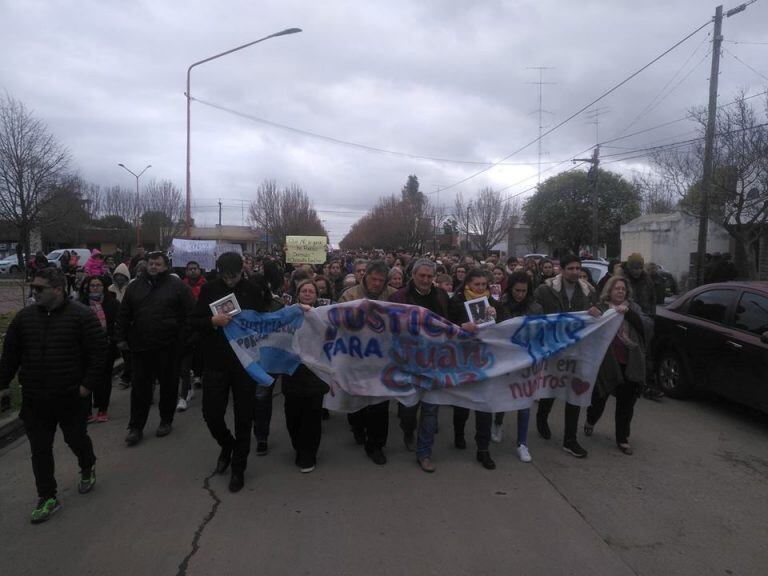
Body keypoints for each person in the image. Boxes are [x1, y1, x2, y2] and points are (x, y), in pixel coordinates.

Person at [0, 268, 106, 524]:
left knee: (75, 438)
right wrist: (3, 384)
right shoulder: (24, 318)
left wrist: (87, 386)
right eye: (33, 288)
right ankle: (47, 496)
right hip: (36, 397)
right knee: (40, 449)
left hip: (71, 395)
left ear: (57, 289)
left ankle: (87, 465)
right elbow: (10, 355)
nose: (34, 293)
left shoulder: (81, 316)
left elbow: (100, 354)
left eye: (39, 289)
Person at [190, 252, 274, 492]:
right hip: (216, 362)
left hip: (245, 364)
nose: (230, 281)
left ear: (242, 271)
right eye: (226, 276)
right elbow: (193, 321)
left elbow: (264, 323)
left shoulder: (252, 289)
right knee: (211, 413)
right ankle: (227, 445)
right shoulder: (208, 290)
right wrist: (211, 322)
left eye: (234, 276)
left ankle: (239, 467)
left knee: (244, 417)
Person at [116, 251, 194, 446]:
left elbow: (190, 315)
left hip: (169, 346)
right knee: (140, 388)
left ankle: (166, 420)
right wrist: (121, 337)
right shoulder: (134, 287)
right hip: (141, 346)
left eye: (158, 264)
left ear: (165, 266)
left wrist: (183, 339)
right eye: (151, 263)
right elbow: (124, 314)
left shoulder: (177, 287)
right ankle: (135, 427)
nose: (153, 267)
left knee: (168, 385)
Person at [534, 254, 601, 458]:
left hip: (578, 351)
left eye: (577, 268)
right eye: (570, 268)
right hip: (553, 349)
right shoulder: (546, 290)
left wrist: (599, 310)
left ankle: (570, 439)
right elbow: (535, 314)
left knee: (575, 391)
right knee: (552, 385)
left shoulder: (589, 291)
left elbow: (601, 309)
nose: (574, 272)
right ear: (561, 269)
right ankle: (542, 417)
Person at [389, 259, 451, 473]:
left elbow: (449, 324)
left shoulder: (441, 297)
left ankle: (424, 453)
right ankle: (408, 430)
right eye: (422, 276)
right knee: (408, 408)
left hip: (434, 362)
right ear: (413, 275)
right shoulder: (398, 298)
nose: (426, 280)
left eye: (429, 276)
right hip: (407, 362)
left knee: (431, 409)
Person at [339, 260, 396, 465]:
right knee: (357, 399)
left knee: (380, 404)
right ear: (366, 277)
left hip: (382, 360)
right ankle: (357, 427)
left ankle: (377, 445)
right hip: (356, 357)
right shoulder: (350, 295)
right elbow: (339, 323)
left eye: (381, 281)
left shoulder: (392, 295)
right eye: (374, 279)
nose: (377, 284)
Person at [585, 276, 650, 455]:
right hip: (606, 364)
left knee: (626, 404)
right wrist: (594, 313)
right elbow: (589, 326)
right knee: (599, 400)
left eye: (623, 289)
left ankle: (622, 438)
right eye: (617, 289)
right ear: (610, 291)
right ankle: (590, 421)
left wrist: (628, 313)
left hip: (629, 364)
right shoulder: (603, 307)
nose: (620, 291)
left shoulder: (633, 308)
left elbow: (647, 325)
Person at [448, 267, 504, 470]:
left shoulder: (494, 302)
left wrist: (496, 315)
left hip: (486, 360)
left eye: (484, 285)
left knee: (485, 404)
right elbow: (446, 324)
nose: (481, 288)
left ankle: (483, 449)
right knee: (463, 401)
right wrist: (461, 326)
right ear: (468, 284)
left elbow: (504, 325)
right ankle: (459, 432)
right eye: (477, 284)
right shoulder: (456, 301)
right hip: (463, 358)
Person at [493, 271, 543, 462]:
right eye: (517, 290)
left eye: (524, 290)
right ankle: (497, 423)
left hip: (526, 359)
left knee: (524, 401)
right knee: (504, 395)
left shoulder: (536, 308)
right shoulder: (500, 305)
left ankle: (522, 443)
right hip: (505, 358)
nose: (520, 294)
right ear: (510, 288)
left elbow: (540, 331)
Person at [283, 279, 330, 473]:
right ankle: (298, 446)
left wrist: (313, 317)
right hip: (292, 371)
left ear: (316, 296)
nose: (308, 293)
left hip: (315, 373)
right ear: (298, 294)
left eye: (312, 291)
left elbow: (330, 335)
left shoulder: (323, 315)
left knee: (311, 417)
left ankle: (308, 454)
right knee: (292, 415)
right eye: (304, 290)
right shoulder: (287, 314)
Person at [78, 275, 119, 423]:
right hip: (85, 348)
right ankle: (87, 411)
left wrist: (113, 339)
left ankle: (102, 409)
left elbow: (117, 324)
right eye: (92, 285)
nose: (95, 288)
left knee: (104, 379)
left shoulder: (112, 304)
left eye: (98, 285)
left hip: (105, 347)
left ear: (104, 287)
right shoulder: (80, 304)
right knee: (85, 378)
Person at [177, 261, 206, 411]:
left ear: (199, 270)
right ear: (186, 271)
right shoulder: (181, 286)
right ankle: (187, 388)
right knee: (185, 362)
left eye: (195, 269)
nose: (193, 271)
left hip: (201, 325)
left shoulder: (205, 285)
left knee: (200, 354)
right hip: (187, 327)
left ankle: (197, 375)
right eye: (190, 269)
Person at [109, 263, 132, 389]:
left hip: (128, 325)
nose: (119, 278)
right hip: (114, 325)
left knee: (129, 354)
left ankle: (127, 378)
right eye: (117, 275)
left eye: (122, 276)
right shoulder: (109, 289)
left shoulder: (131, 288)